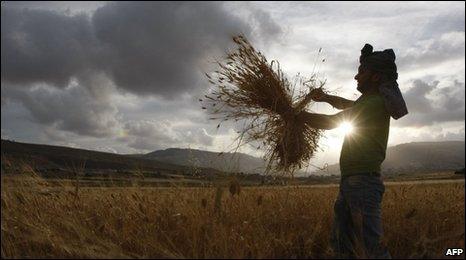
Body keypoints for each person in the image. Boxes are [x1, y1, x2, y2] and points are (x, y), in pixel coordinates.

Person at [297, 43, 408, 258]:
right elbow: (347, 105)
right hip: (352, 182)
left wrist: (296, 116)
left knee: (371, 248)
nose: (356, 77)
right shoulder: (367, 101)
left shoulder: (374, 103)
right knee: (342, 246)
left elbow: (332, 122)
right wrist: (326, 97)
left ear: (375, 77)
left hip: (363, 185)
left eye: (361, 72)